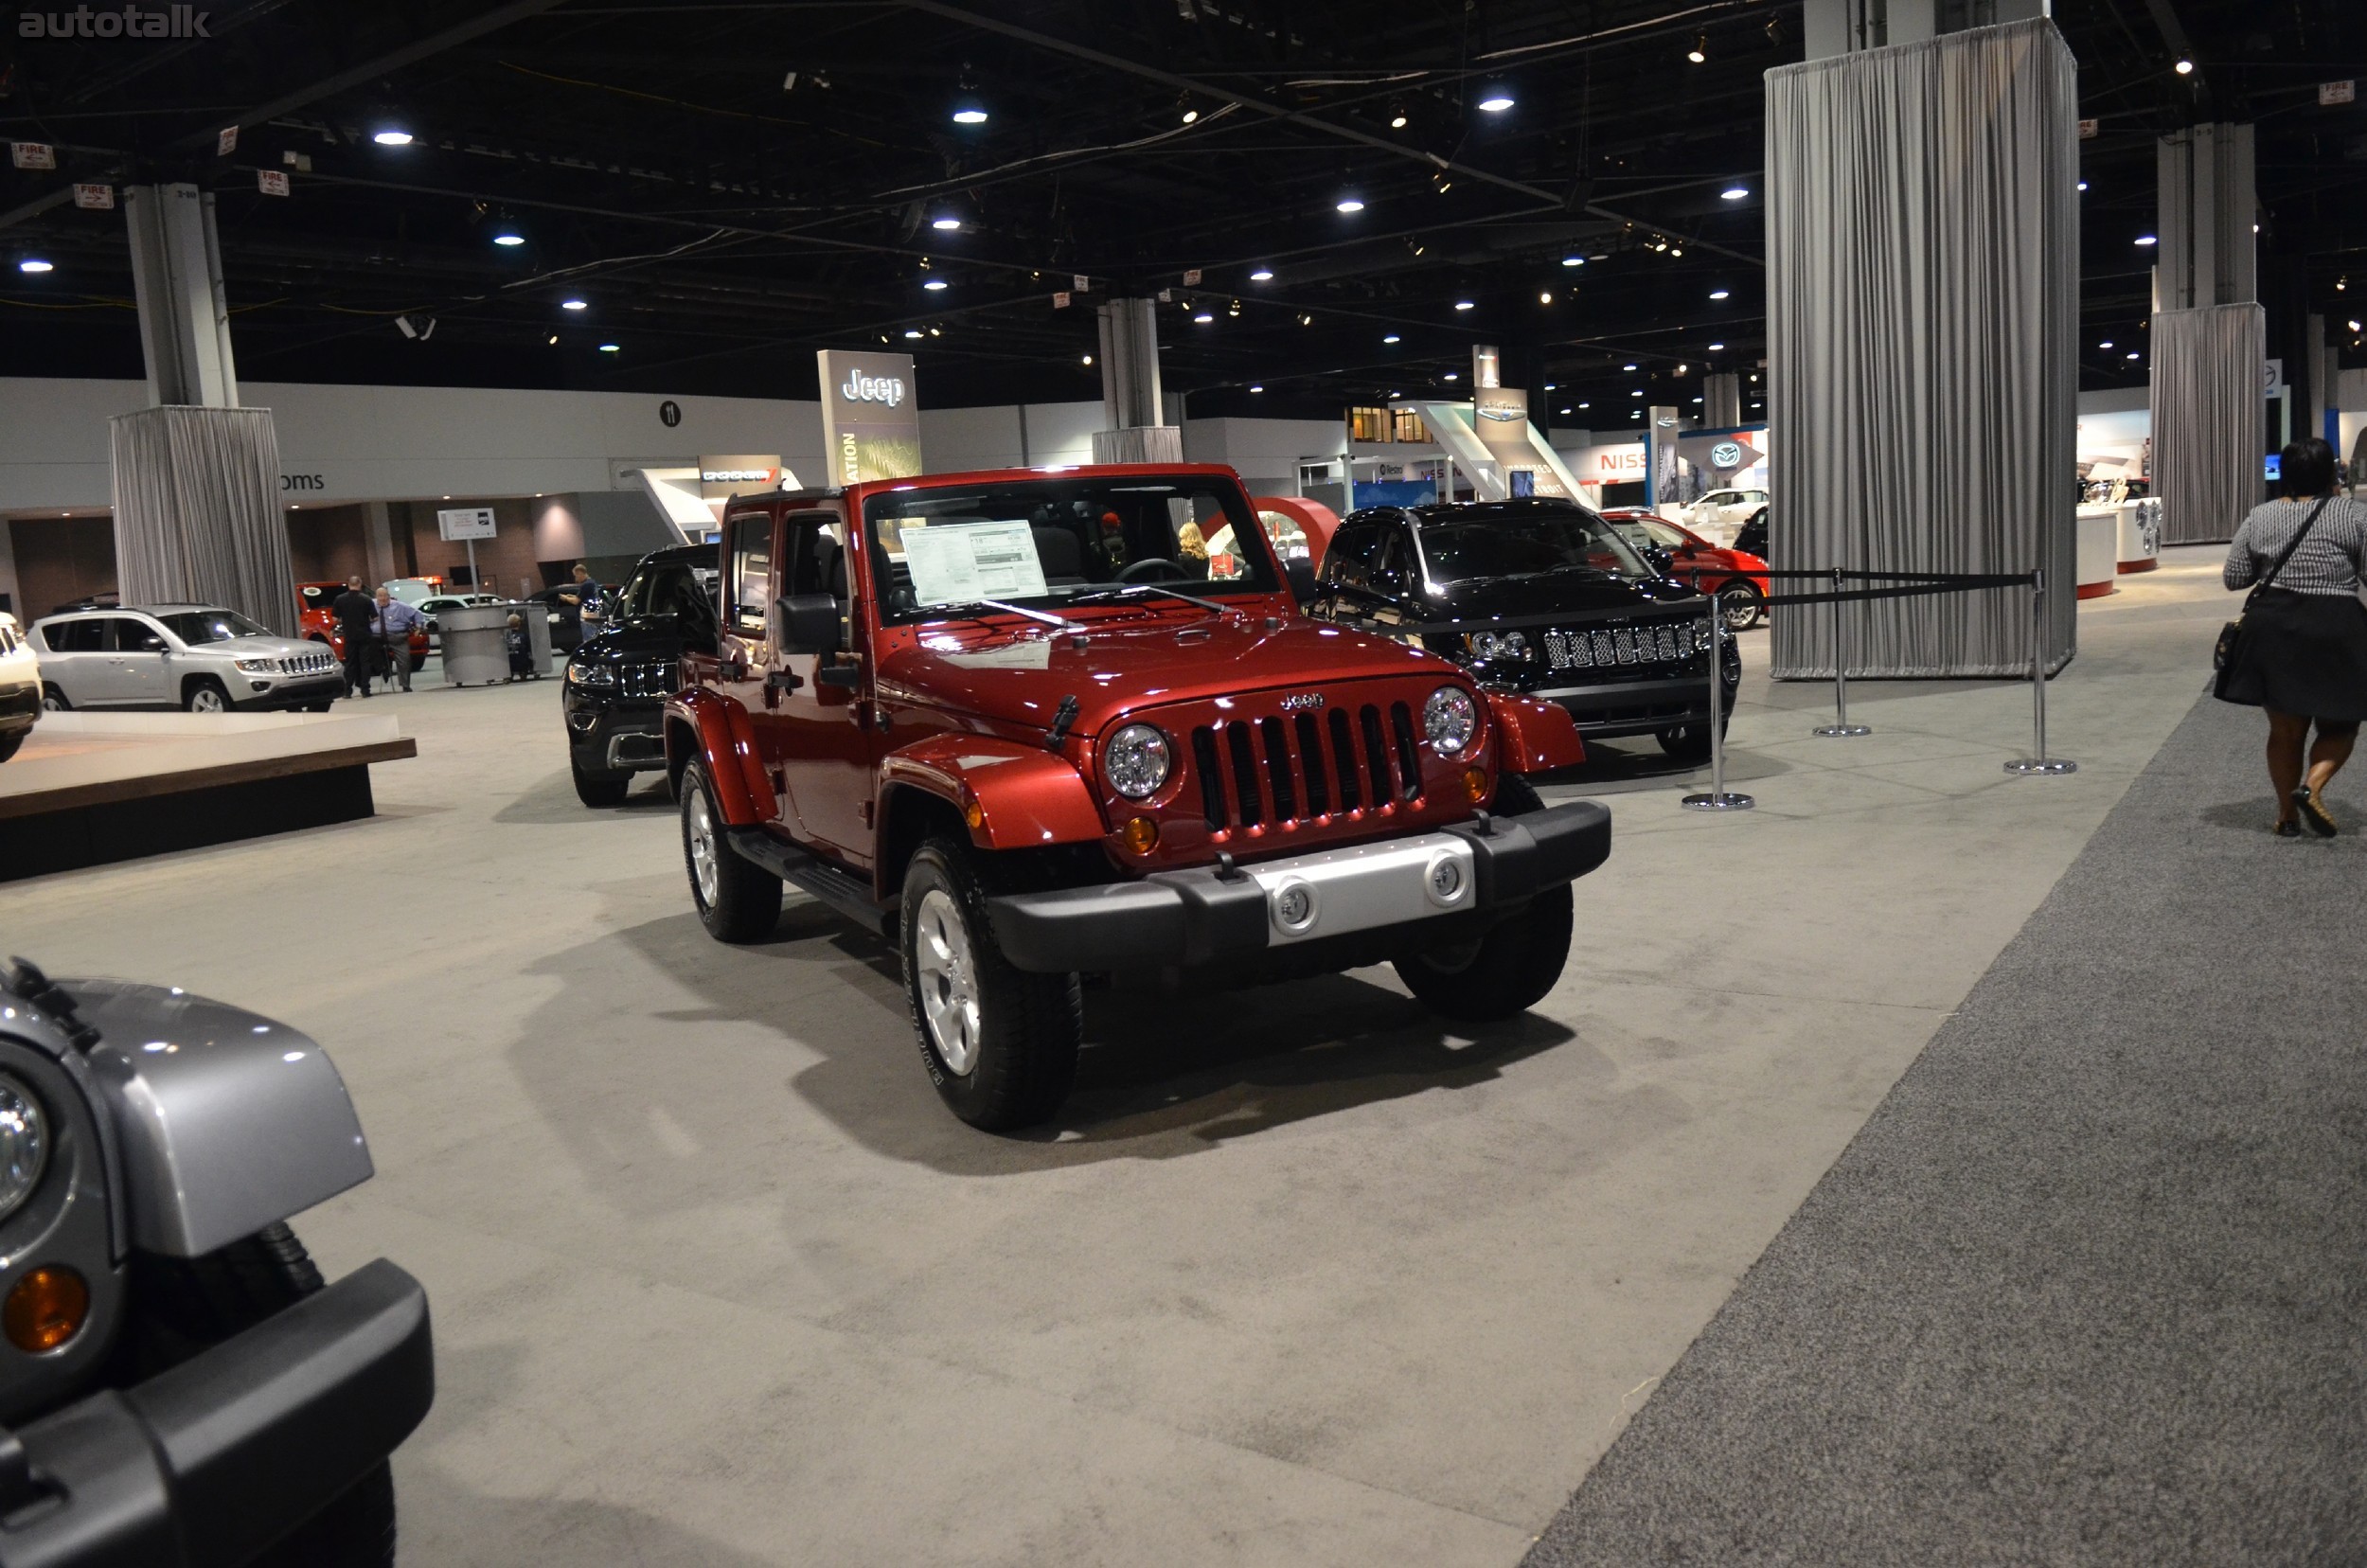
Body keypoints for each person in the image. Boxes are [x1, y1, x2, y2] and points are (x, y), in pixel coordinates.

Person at [2218, 436, 2367, 836]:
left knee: (2285, 730)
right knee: (2341, 725)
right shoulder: (2354, 515)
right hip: (2335, 625)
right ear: (2330, 474)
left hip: (2274, 626)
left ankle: (2286, 816)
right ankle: (2312, 786)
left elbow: (2234, 577)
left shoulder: (2260, 515)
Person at [330, 576, 378, 699]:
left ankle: (348, 690)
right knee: (365, 663)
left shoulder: (340, 599)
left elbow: (335, 619)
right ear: (360, 584)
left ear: (348, 584)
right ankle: (365, 689)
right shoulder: (366, 599)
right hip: (365, 635)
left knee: (350, 663)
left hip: (349, 635)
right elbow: (375, 618)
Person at [374, 588, 425, 693]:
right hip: (376, 637)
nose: (382, 599)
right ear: (376, 597)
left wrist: (418, 627)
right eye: (380, 596)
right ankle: (383, 669)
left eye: (385, 596)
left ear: (389, 596)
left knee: (405, 659)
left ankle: (405, 685)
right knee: (367, 652)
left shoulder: (400, 606)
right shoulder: (371, 605)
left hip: (397, 636)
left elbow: (417, 614)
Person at [505, 613, 535, 681]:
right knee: (527, 658)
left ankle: (510, 675)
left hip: (510, 663)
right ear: (519, 623)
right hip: (522, 661)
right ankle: (523, 673)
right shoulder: (523, 635)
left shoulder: (506, 636)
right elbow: (528, 648)